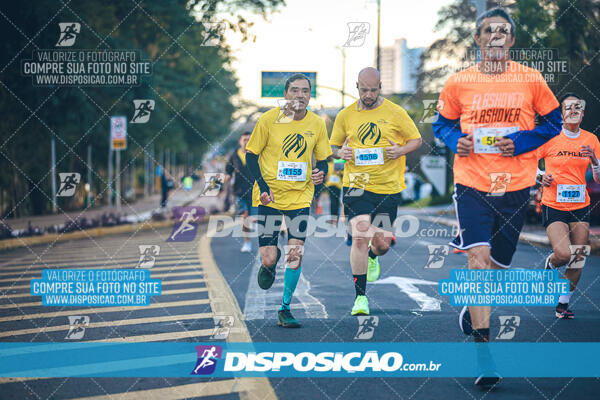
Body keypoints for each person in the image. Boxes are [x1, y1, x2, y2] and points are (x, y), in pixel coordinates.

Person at [433, 7, 562, 387]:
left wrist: (520, 141)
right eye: (488, 31)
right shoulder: (459, 82)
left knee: (498, 266)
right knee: (479, 258)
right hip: (471, 182)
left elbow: (553, 123)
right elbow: (442, 123)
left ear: (511, 40)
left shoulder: (531, 79)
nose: (495, 37)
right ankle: (483, 356)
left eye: (502, 31)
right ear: (478, 39)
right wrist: (457, 140)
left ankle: (474, 315)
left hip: (516, 184)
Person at [330, 67, 422, 316]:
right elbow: (333, 146)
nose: (368, 94)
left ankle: (373, 256)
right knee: (359, 234)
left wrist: (400, 151)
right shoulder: (345, 115)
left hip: (388, 187)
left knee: (382, 244)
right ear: (356, 86)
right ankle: (360, 298)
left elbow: (416, 140)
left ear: (380, 86)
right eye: (364, 89)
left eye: (373, 90)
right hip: (356, 183)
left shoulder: (396, 112)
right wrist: (341, 153)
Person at [246, 73, 332, 328]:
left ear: (310, 95)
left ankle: (285, 308)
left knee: (295, 254)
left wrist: (321, 172)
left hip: (300, 196)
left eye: (305, 91)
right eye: (295, 90)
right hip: (269, 196)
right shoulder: (269, 120)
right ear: (285, 94)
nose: (300, 95)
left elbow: (324, 159)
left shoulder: (317, 124)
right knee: (269, 258)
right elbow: (251, 155)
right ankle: (269, 266)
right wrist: (262, 186)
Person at [537, 93, 600, 319]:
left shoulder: (591, 140)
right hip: (553, 203)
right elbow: (527, 162)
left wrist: (595, 161)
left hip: (580, 205)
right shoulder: (550, 137)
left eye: (578, 107)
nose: (573, 110)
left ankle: (563, 304)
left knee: (579, 255)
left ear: (582, 114)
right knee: (564, 254)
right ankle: (551, 263)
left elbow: (599, 178)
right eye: (568, 108)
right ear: (561, 114)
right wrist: (540, 176)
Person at [225, 132, 256, 253]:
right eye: (245, 140)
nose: (246, 142)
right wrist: (227, 175)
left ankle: (277, 227)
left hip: (254, 191)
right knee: (245, 216)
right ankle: (247, 242)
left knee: (253, 218)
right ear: (240, 141)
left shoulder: (255, 154)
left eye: (249, 140)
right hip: (239, 191)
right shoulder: (234, 155)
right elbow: (228, 169)